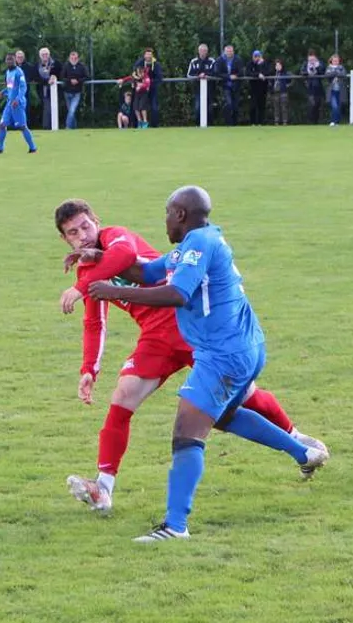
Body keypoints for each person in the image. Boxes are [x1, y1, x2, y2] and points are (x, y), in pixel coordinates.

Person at [85, 187, 330, 542]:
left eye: (168, 213)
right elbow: (148, 272)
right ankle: (304, 453)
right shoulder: (197, 242)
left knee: (187, 433)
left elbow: (176, 294)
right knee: (224, 416)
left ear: (181, 215)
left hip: (223, 354)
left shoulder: (198, 245)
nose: (165, 220)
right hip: (244, 344)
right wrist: (99, 255)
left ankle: (175, 527)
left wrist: (115, 292)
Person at [0, 52, 37, 154]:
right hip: (9, 103)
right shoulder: (8, 72)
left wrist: (17, 99)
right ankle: (0, 148)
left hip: (18, 104)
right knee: (2, 125)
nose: (9, 61)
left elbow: (23, 87)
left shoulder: (19, 72)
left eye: (11, 59)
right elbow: (10, 88)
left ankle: (33, 148)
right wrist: (2, 92)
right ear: (5, 61)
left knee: (22, 126)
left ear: (15, 60)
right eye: (7, 59)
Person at [216, 45, 243, 126]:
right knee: (228, 103)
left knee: (235, 106)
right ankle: (228, 123)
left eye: (231, 51)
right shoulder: (220, 60)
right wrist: (228, 77)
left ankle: (235, 124)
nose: (229, 53)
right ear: (224, 52)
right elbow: (217, 72)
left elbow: (241, 72)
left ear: (233, 51)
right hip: (225, 86)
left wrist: (236, 76)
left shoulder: (238, 59)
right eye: (227, 51)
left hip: (236, 86)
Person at [61, 51, 89, 130]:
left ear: (78, 58)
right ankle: (74, 128)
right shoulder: (66, 66)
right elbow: (62, 77)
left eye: (75, 58)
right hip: (67, 92)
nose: (73, 59)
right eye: (72, 58)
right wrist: (70, 81)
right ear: (69, 58)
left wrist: (78, 81)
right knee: (71, 112)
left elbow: (87, 77)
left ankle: (68, 127)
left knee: (72, 110)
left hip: (77, 92)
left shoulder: (82, 66)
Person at [248, 50, 270, 125]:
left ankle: (261, 122)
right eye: (255, 56)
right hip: (253, 89)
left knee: (262, 106)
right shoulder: (250, 64)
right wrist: (258, 74)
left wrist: (261, 65)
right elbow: (249, 73)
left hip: (263, 88)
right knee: (252, 106)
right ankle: (252, 123)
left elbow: (268, 72)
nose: (257, 58)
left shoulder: (265, 64)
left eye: (258, 56)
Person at [325, 54, 347, 126]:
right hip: (332, 91)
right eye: (334, 60)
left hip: (340, 91)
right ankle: (333, 121)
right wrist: (336, 73)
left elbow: (344, 74)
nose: (335, 62)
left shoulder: (341, 67)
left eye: (337, 60)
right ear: (331, 60)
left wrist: (335, 73)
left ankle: (336, 122)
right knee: (334, 106)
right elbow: (327, 75)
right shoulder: (329, 68)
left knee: (339, 106)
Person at [271, 59, 290, 125]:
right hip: (275, 92)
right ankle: (276, 121)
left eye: (279, 65)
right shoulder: (273, 73)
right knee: (276, 107)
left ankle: (285, 121)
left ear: (281, 66)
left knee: (284, 107)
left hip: (283, 92)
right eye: (276, 65)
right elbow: (271, 82)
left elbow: (290, 80)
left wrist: (287, 86)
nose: (277, 67)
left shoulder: (285, 73)